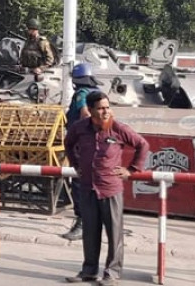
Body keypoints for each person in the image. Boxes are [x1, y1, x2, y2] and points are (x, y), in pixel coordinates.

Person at [64, 91, 149, 286]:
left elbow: (142, 145)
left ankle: (112, 274)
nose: (106, 112)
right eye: (101, 108)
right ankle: (89, 271)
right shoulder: (80, 128)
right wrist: (75, 164)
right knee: (90, 232)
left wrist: (132, 170)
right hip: (88, 188)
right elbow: (68, 144)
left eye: (107, 107)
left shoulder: (118, 128)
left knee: (114, 233)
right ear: (91, 110)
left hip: (110, 188)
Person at [62, 63, 102, 242]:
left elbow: (85, 114)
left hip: (81, 145)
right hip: (96, 145)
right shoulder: (97, 93)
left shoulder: (81, 95)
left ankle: (82, 222)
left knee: (79, 183)